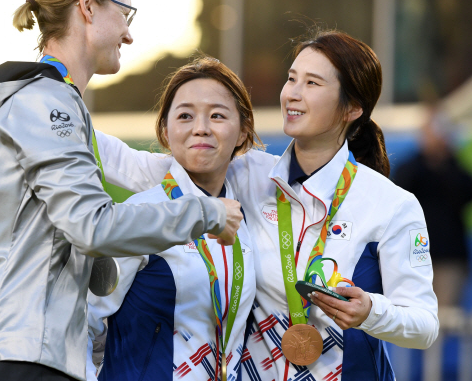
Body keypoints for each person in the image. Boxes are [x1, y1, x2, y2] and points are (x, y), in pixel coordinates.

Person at [91, 30, 439, 381]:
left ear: (352, 108)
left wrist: (371, 313)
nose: (293, 94)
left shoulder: (392, 204)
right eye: (292, 79)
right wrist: (55, 114)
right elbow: (150, 169)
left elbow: (424, 325)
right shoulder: (248, 173)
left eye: (313, 83)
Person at [0, 0, 243, 381]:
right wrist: (208, 214)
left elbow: (91, 211)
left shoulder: (47, 102)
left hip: (19, 348)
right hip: (17, 353)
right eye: (125, 13)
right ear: (87, 6)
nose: (129, 34)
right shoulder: (46, 102)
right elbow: (93, 226)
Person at [86, 57, 262, 381]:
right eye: (185, 115)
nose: (201, 128)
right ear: (166, 132)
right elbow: (82, 322)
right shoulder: (137, 216)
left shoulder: (250, 217)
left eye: (218, 115)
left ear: (243, 131)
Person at [394, 105, 472, 308]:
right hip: (415, 253)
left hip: (449, 256)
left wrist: (444, 159)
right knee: (415, 313)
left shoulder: (455, 169)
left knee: (444, 315)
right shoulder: (411, 167)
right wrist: (428, 156)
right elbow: (401, 191)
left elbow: (462, 193)